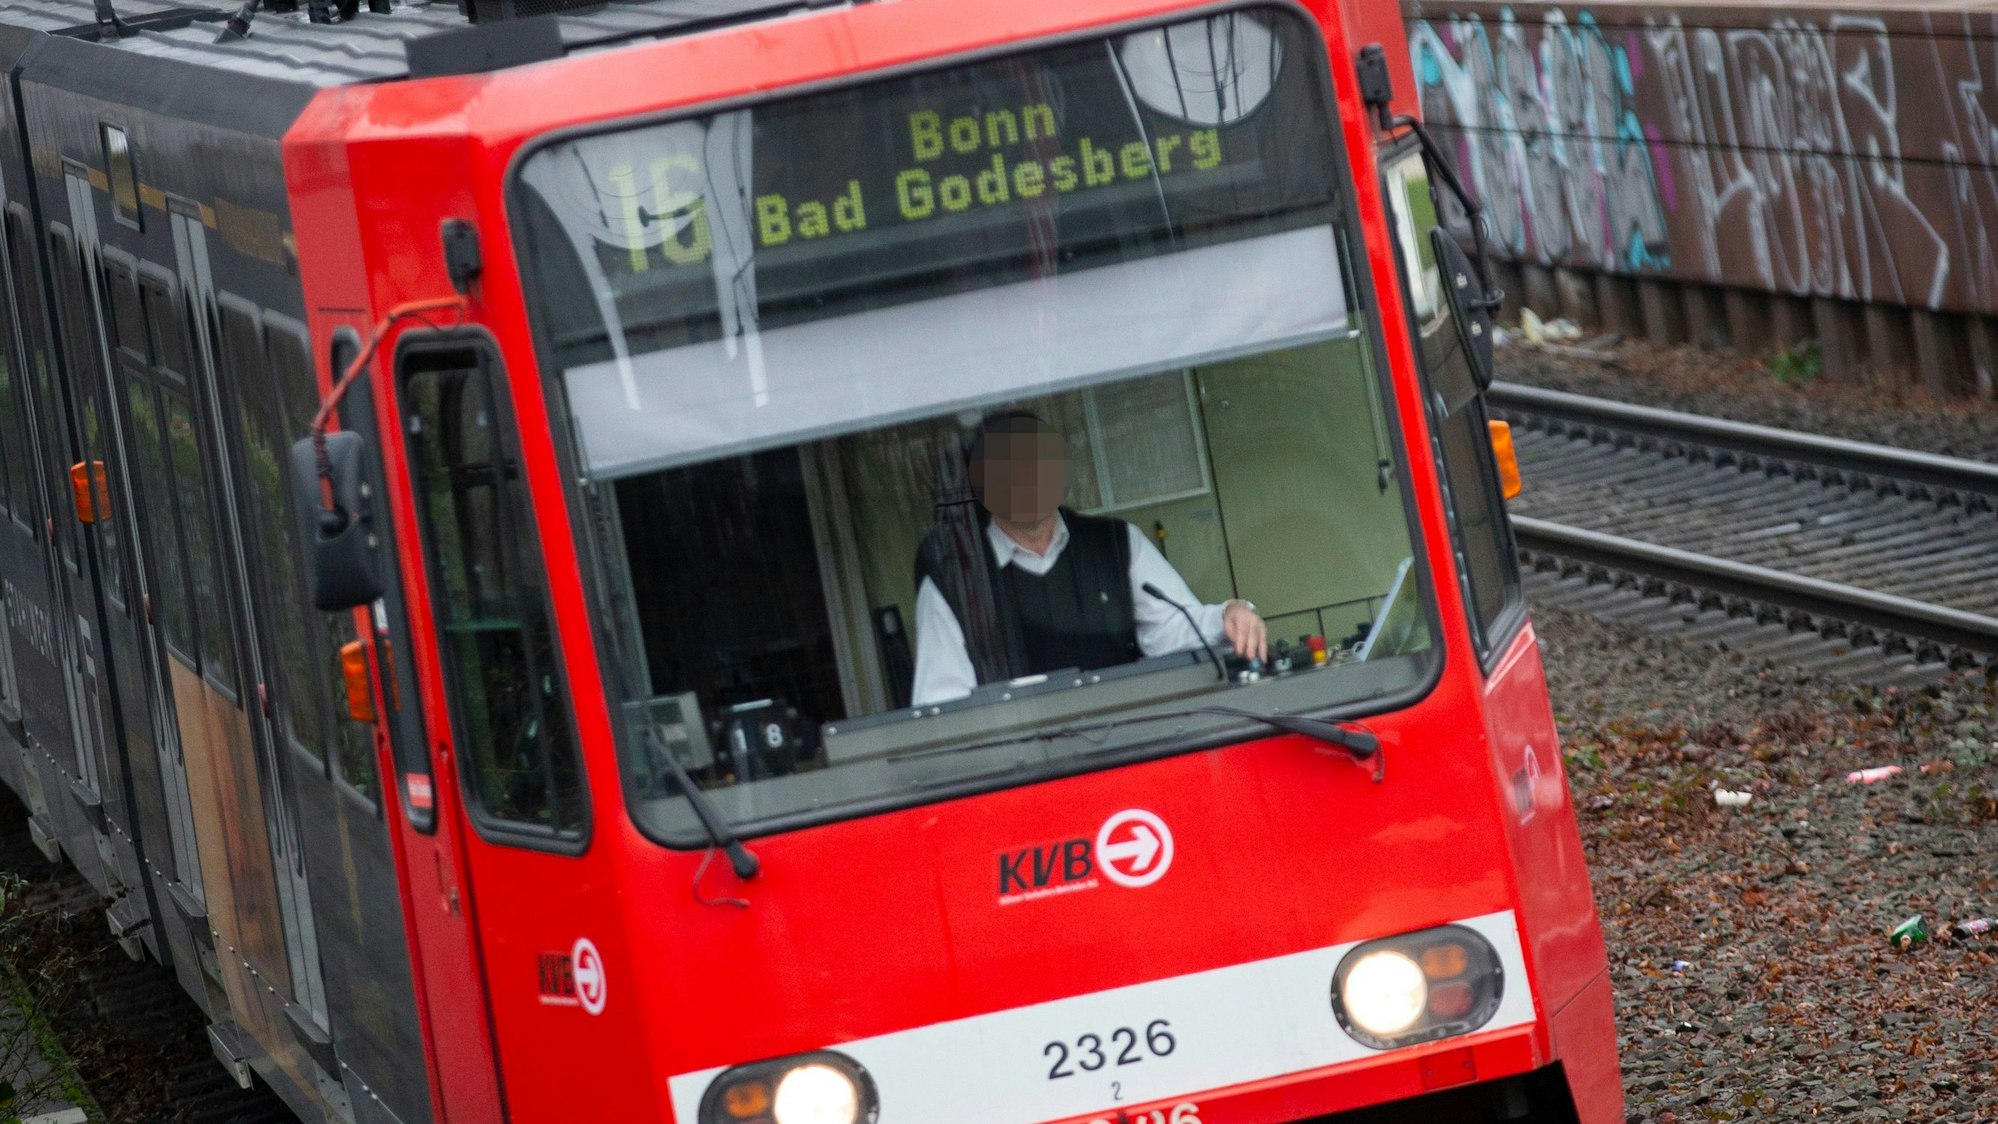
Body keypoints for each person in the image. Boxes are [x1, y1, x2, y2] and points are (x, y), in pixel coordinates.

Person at [910, 411, 1266, 705]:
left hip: (1134, 743)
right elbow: (941, 705)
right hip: (1023, 773)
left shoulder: (1115, 541)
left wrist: (1229, 614)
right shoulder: (953, 576)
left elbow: (1173, 630)